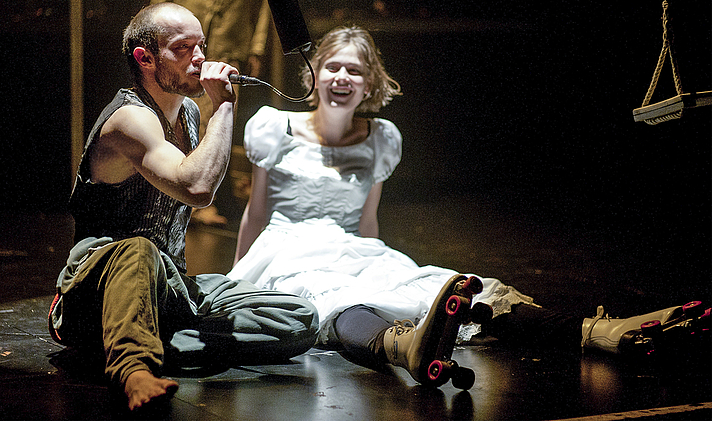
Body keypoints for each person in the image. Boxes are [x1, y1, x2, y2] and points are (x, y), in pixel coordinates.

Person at [228, 26, 709, 386]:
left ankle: (596, 332)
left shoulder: (381, 139)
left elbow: (367, 222)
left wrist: (378, 264)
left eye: (354, 69)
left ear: (369, 82)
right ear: (314, 74)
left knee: (443, 287)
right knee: (334, 298)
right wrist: (233, 282)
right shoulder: (275, 126)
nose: (341, 77)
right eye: (333, 65)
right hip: (288, 249)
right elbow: (255, 210)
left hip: (351, 247)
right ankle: (403, 347)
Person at [48, 3, 318, 412]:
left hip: (169, 285)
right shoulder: (128, 121)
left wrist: (212, 109)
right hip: (102, 284)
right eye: (184, 48)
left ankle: (135, 339)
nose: (200, 58)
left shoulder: (190, 112)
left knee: (298, 317)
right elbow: (196, 187)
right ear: (146, 59)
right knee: (139, 249)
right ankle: (133, 369)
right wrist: (225, 106)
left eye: (202, 46)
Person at [151, 0, 274, 225]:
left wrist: (258, 45)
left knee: (216, 112)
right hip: (183, 37)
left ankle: (201, 199)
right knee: (176, 110)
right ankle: (169, 193)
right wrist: (152, 35)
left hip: (231, 34)